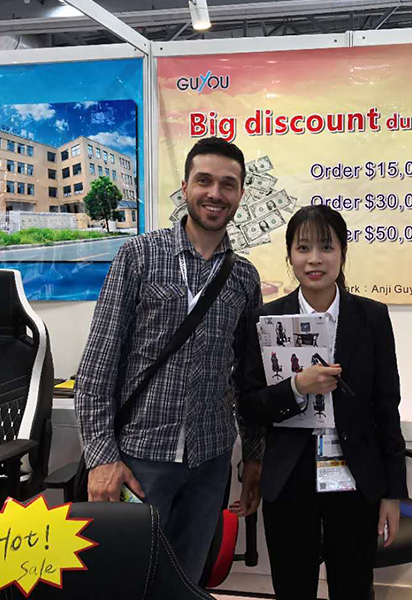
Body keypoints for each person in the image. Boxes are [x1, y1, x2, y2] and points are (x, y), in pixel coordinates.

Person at [74, 137, 264, 582]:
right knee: (124, 581)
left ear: (240, 194)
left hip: (210, 461)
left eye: (228, 184)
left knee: (185, 579)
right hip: (139, 458)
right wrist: (100, 457)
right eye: (204, 181)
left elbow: (248, 378)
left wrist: (254, 457)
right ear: (185, 187)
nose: (215, 193)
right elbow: (98, 366)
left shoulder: (244, 277)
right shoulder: (138, 255)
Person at [236, 205, 407, 600]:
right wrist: (296, 386)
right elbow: (249, 405)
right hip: (290, 479)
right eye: (303, 248)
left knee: (353, 588)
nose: (315, 259)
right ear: (289, 255)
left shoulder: (372, 318)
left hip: (354, 479)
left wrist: (392, 493)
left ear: (343, 253)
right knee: (293, 589)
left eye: (326, 247)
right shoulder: (266, 319)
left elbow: (387, 408)